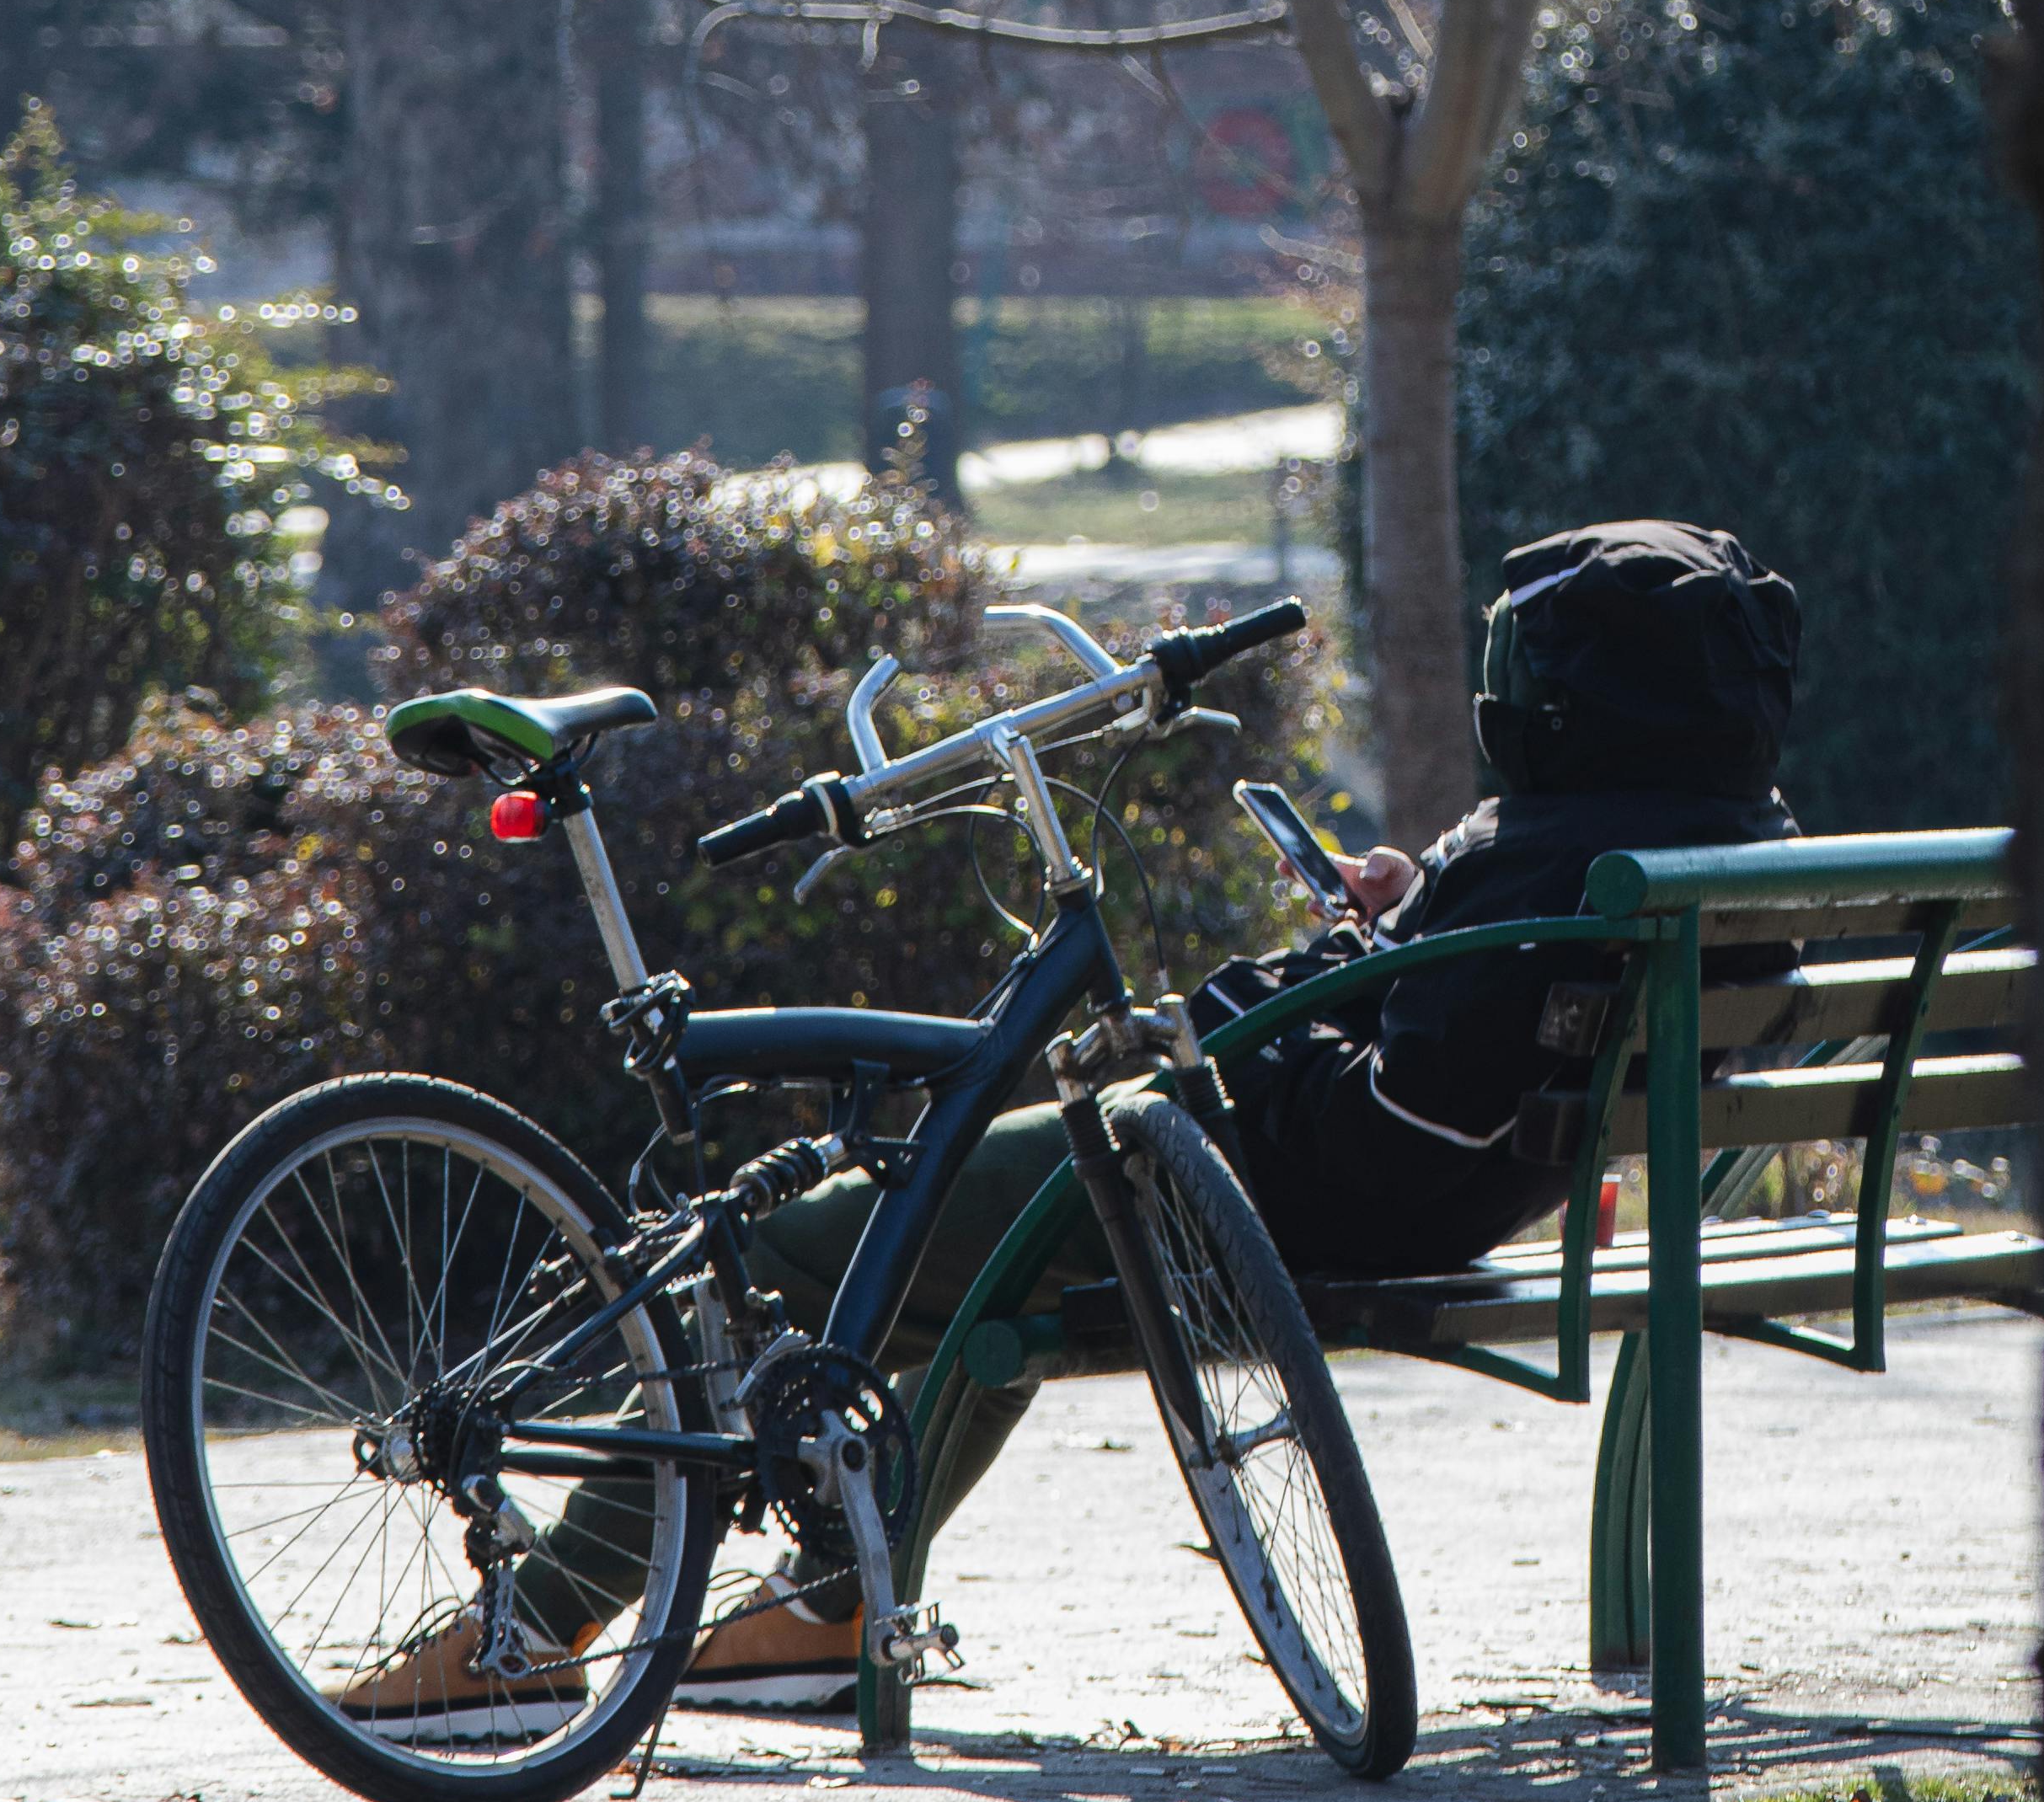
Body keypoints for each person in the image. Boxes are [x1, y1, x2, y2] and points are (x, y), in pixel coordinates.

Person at [340, 516, 1799, 1735]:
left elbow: (1390, 1105)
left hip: (1284, 1186)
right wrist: (1402, 926)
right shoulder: (1695, 841)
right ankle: (838, 1594)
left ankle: (535, 1626)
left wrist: (1244, 1042)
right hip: (1433, 1190)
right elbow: (1465, 1042)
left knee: (793, 1250)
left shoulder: (1544, 853)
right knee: (975, 1243)